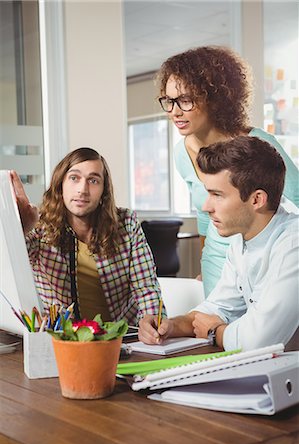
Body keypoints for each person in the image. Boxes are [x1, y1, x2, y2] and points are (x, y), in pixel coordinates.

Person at [156, 45, 299, 297]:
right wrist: (204, 266)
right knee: (215, 332)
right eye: (169, 101)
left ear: (214, 98)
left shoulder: (258, 144)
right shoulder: (181, 153)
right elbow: (203, 219)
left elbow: (296, 199)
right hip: (217, 264)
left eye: (186, 100)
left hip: (264, 263)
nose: (175, 111)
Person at [138, 136, 299, 351]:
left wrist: (216, 332)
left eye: (217, 195)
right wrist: (170, 325)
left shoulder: (293, 243)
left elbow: (258, 340)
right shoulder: (241, 240)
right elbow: (218, 308)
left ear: (257, 200)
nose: (206, 206)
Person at [11, 147, 162, 325]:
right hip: (65, 341)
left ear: (103, 191)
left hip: (120, 338)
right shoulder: (40, 226)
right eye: (74, 178)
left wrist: (151, 321)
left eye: (93, 180)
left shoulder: (126, 223)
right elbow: (11, 259)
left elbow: (146, 288)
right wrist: (21, 226)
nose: (83, 189)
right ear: (60, 185)